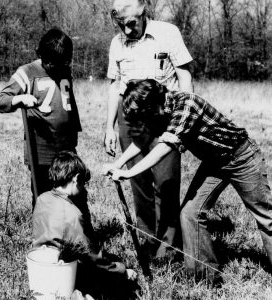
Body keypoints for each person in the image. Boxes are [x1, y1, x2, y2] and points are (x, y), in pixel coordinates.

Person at [103, 79, 272, 280]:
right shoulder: (160, 110)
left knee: (265, 216)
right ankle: (204, 276)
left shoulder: (186, 104)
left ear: (154, 104)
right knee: (190, 213)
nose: (145, 120)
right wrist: (118, 165)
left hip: (242, 157)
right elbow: (142, 141)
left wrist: (130, 173)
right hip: (214, 163)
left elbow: (165, 147)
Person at [104, 0, 193, 258]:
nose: (127, 30)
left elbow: (184, 76)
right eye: (121, 25)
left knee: (165, 182)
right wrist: (109, 126)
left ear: (143, 12)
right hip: (130, 115)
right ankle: (147, 240)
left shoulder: (168, 32)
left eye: (131, 23)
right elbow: (113, 85)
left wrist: (184, 120)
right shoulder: (116, 43)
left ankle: (168, 247)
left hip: (163, 113)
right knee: (137, 179)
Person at [0, 28, 81, 208]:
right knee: (43, 195)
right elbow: (1, 101)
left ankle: (74, 230)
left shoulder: (64, 71)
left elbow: (69, 103)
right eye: (53, 64)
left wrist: (75, 131)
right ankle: (45, 233)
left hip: (66, 146)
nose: (58, 68)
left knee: (75, 193)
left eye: (64, 63)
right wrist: (19, 98)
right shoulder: (27, 72)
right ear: (42, 55)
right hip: (40, 149)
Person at [33, 151, 137, 299]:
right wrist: (122, 271)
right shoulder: (72, 214)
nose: (84, 188)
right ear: (76, 179)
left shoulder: (42, 198)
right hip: (63, 273)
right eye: (83, 183)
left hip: (39, 268)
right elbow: (92, 257)